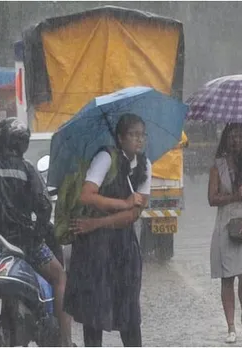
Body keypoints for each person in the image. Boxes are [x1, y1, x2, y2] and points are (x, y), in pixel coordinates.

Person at [0, 118, 73, 346]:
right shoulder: (26, 170)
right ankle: (65, 341)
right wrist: (37, 232)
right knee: (60, 276)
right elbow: (43, 206)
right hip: (23, 243)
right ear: (22, 143)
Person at [65, 113, 151, 347]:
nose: (139, 140)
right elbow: (87, 195)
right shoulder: (105, 158)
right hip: (96, 248)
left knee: (129, 312)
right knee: (94, 311)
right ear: (121, 138)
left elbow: (134, 215)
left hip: (124, 246)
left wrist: (98, 223)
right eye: (133, 135)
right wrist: (123, 203)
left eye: (142, 135)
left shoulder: (145, 165)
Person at [208, 123, 242, 344]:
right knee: (227, 277)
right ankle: (230, 326)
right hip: (225, 225)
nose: (236, 141)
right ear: (226, 139)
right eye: (232, 137)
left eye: (240, 136)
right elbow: (212, 198)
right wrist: (233, 196)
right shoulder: (218, 166)